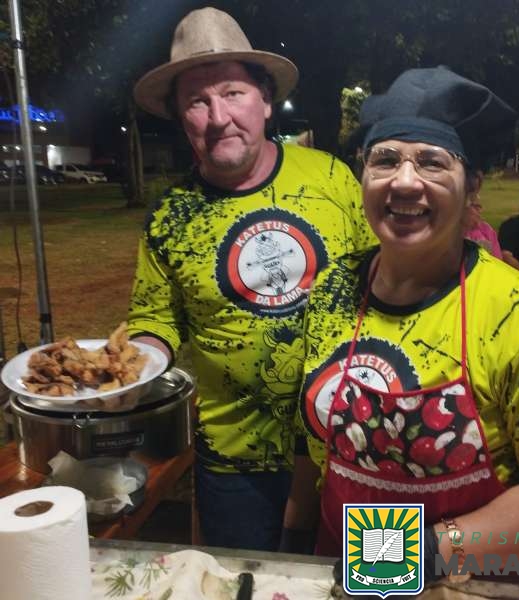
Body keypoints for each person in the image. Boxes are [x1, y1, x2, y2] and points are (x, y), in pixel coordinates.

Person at [284, 66, 519, 581]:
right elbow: (313, 438)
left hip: (464, 583)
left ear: (472, 185)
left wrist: (419, 554)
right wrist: (295, 536)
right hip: (337, 571)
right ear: (364, 175)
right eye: (385, 159)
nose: (405, 181)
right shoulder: (332, 290)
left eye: (432, 162)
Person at [128, 7, 374, 551]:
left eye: (233, 93)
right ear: (181, 118)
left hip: (353, 442)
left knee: (371, 580)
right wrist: (124, 367)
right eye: (197, 101)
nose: (218, 116)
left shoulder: (333, 178)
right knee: (244, 582)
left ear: (265, 101)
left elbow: (382, 282)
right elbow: (154, 319)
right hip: (236, 464)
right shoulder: (171, 218)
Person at [462, 172, 502, 259]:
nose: (478, 198)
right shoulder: (447, 231)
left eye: (477, 192)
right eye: (471, 194)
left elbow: (497, 261)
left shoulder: (486, 230)